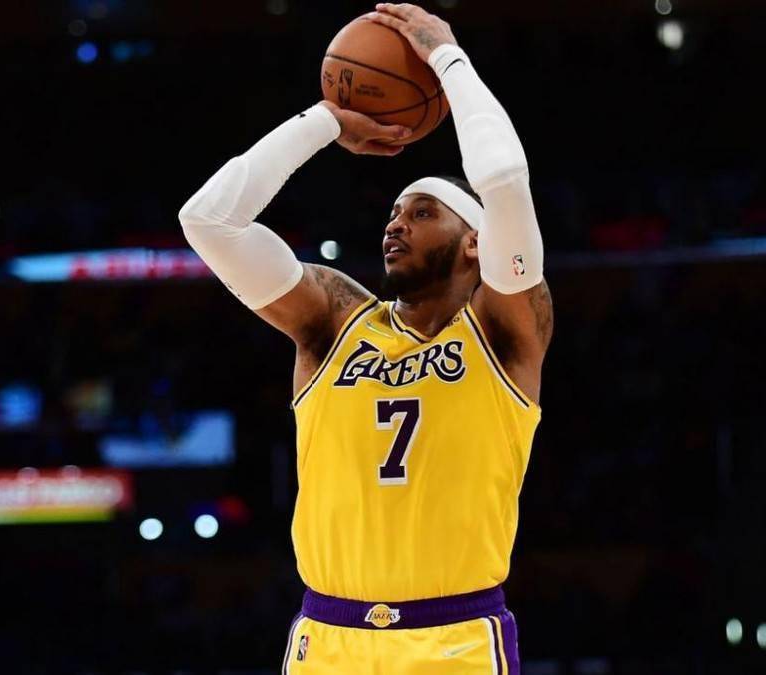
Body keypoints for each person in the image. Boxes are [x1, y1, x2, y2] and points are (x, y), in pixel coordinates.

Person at [179, 4, 551, 672]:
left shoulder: (504, 331)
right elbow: (208, 220)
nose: (395, 224)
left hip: (455, 640)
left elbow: (502, 181)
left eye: (422, 212)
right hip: (328, 637)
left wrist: (446, 58)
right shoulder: (335, 321)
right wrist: (324, 122)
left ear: (477, 241)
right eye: (393, 212)